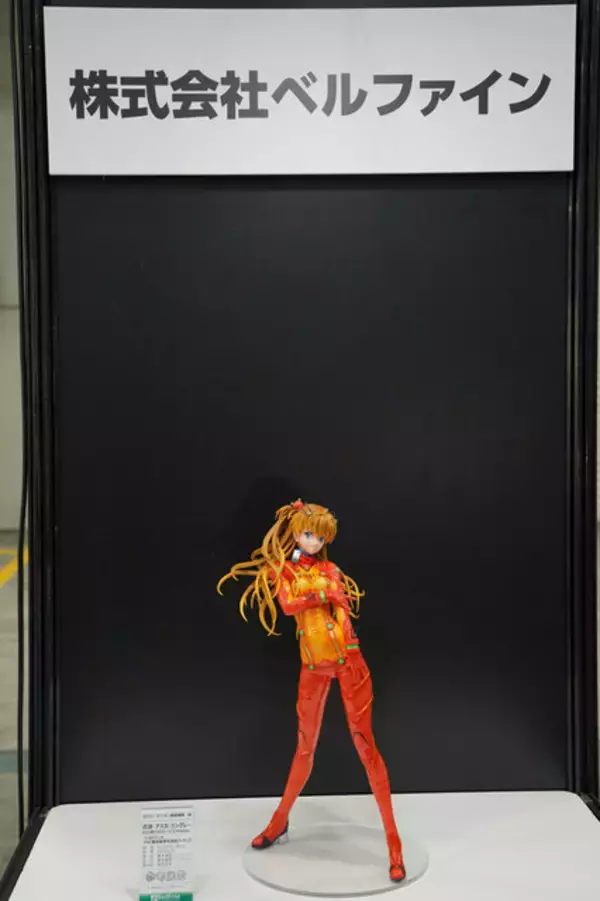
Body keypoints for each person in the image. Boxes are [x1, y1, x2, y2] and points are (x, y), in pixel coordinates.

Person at [217, 499, 405, 882]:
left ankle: (393, 842)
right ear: (296, 533)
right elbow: (289, 606)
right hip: (313, 668)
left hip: (349, 662)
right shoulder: (282, 571)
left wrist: (339, 616)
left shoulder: (331, 570)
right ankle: (279, 821)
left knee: (366, 747)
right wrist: (323, 597)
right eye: (309, 534)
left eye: (321, 537)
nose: (315, 542)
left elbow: (343, 610)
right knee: (304, 749)